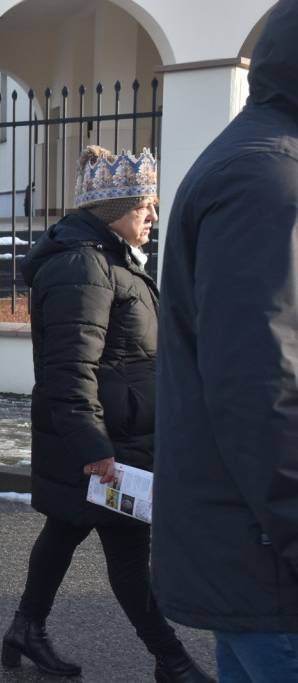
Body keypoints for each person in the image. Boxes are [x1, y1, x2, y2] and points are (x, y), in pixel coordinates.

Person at [3, 145, 212, 681]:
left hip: (116, 435)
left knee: (66, 528)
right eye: (144, 204)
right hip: (106, 444)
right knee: (126, 556)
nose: (153, 215)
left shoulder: (110, 260)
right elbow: (68, 369)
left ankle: (26, 628)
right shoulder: (85, 266)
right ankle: (173, 660)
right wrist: (95, 450)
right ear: (112, 208)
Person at [152, 1, 298, 679]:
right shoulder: (269, 178)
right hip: (271, 567)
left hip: (255, 555)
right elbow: (261, 389)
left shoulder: (260, 158)